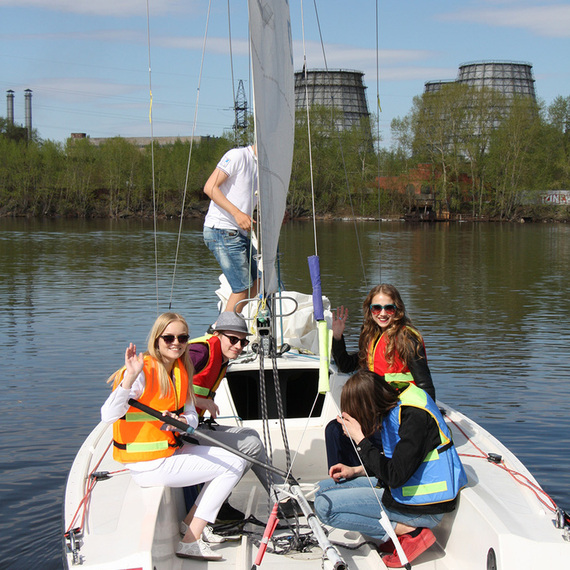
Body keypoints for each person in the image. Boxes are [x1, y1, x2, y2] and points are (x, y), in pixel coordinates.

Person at [101, 312, 248, 561]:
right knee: (230, 467)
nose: (176, 343)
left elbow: (191, 413)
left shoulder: (181, 368)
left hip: (168, 452)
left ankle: (190, 526)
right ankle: (190, 541)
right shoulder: (143, 371)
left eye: (182, 337)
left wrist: (183, 422)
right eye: (168, 337)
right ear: (157, 339)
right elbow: (108, 415)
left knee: (236, 460)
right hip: (147, 463)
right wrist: (128, 378)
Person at [314, 370, 467, 567]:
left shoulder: (414, 419)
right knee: (322, 489)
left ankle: (409, 532)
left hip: (424, 508)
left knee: (324, 507)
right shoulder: (397, 406)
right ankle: (398, 531)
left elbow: (394, 475)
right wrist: (356, 471)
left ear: (367, 407)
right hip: (406, 491)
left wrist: (360, 439)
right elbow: (395, 465)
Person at [188, 311, 291, 518]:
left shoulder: (222, 358)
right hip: (179, 430)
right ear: (217, 334)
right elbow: (165, 383)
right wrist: (199, 401)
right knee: (251, 445)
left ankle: (283, 500)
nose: (238, 346)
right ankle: (215, 507)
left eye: (243, 342)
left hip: (194, 425)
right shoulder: (200, 352)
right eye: (233, 339)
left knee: (251, 437)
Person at [326, 283, 436, 467]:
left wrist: (424, 426)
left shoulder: (407, 338)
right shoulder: (370, 335)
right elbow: (345, 365)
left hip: (399, 415)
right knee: (335, 430)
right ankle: (343, 478)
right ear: (370, 310)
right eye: (377, 308)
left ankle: (364, 474)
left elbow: (426, 386)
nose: (382, 313)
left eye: (389, 308)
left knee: (344, 433)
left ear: (397, 309)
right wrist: (337, 337)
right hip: (375, 412)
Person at [203, 145, 259, 313]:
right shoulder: (237, 156)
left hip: (237, 233)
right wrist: (237, 214)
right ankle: (223, 332)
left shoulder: (263, 169)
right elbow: (210, 187)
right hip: (221, 229)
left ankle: (222, 327)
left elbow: (250, 197)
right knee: (242, 288)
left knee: (256, 284)